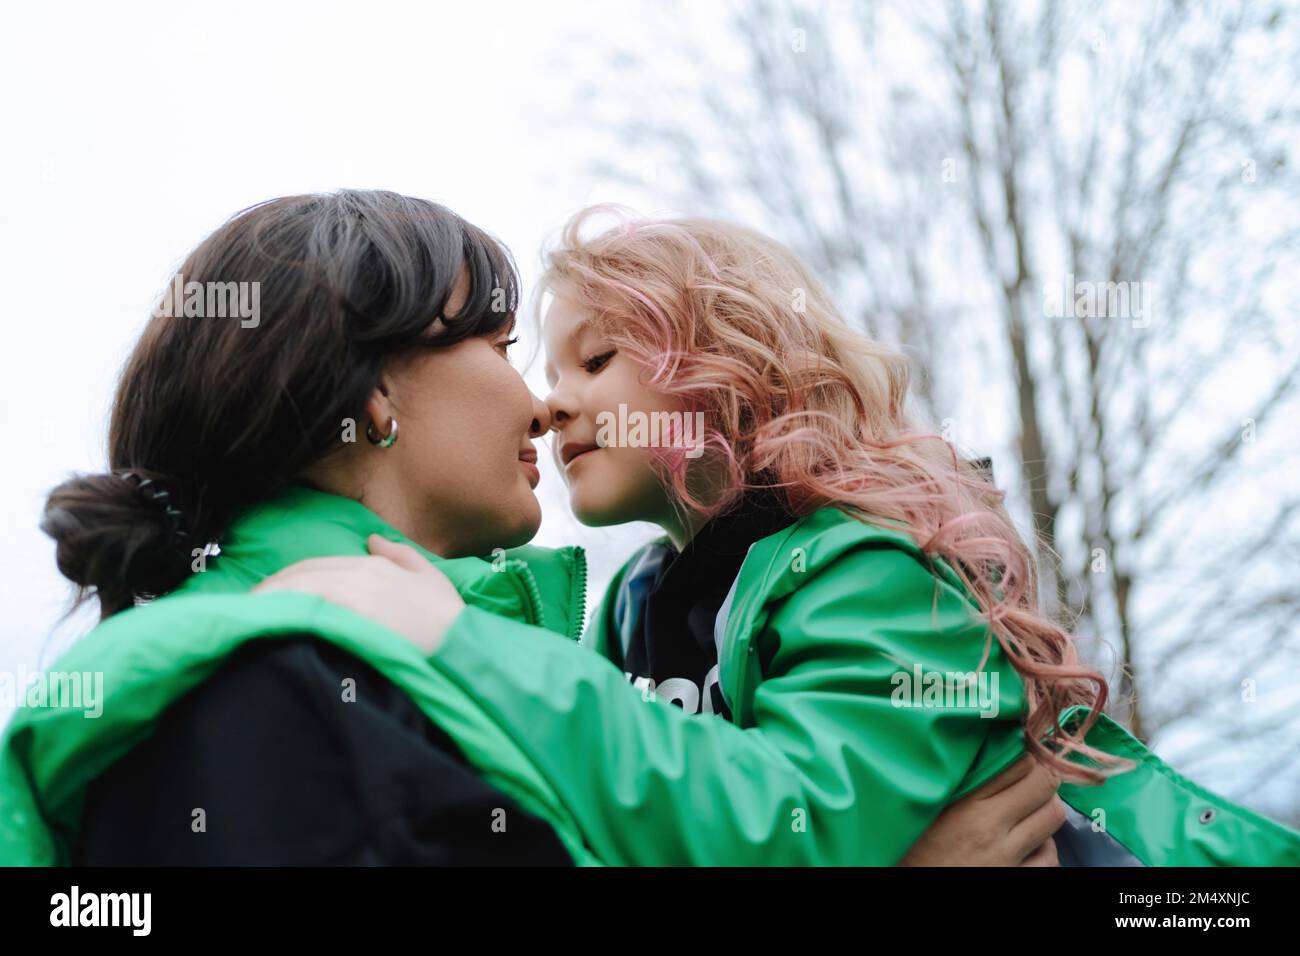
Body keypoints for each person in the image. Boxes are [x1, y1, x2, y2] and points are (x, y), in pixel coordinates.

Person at [0, 190, 1061, 866]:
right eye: (513, 349)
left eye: (586, 362)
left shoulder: (850, 567)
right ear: (372, 398)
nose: (543, 404)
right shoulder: (289, 684)